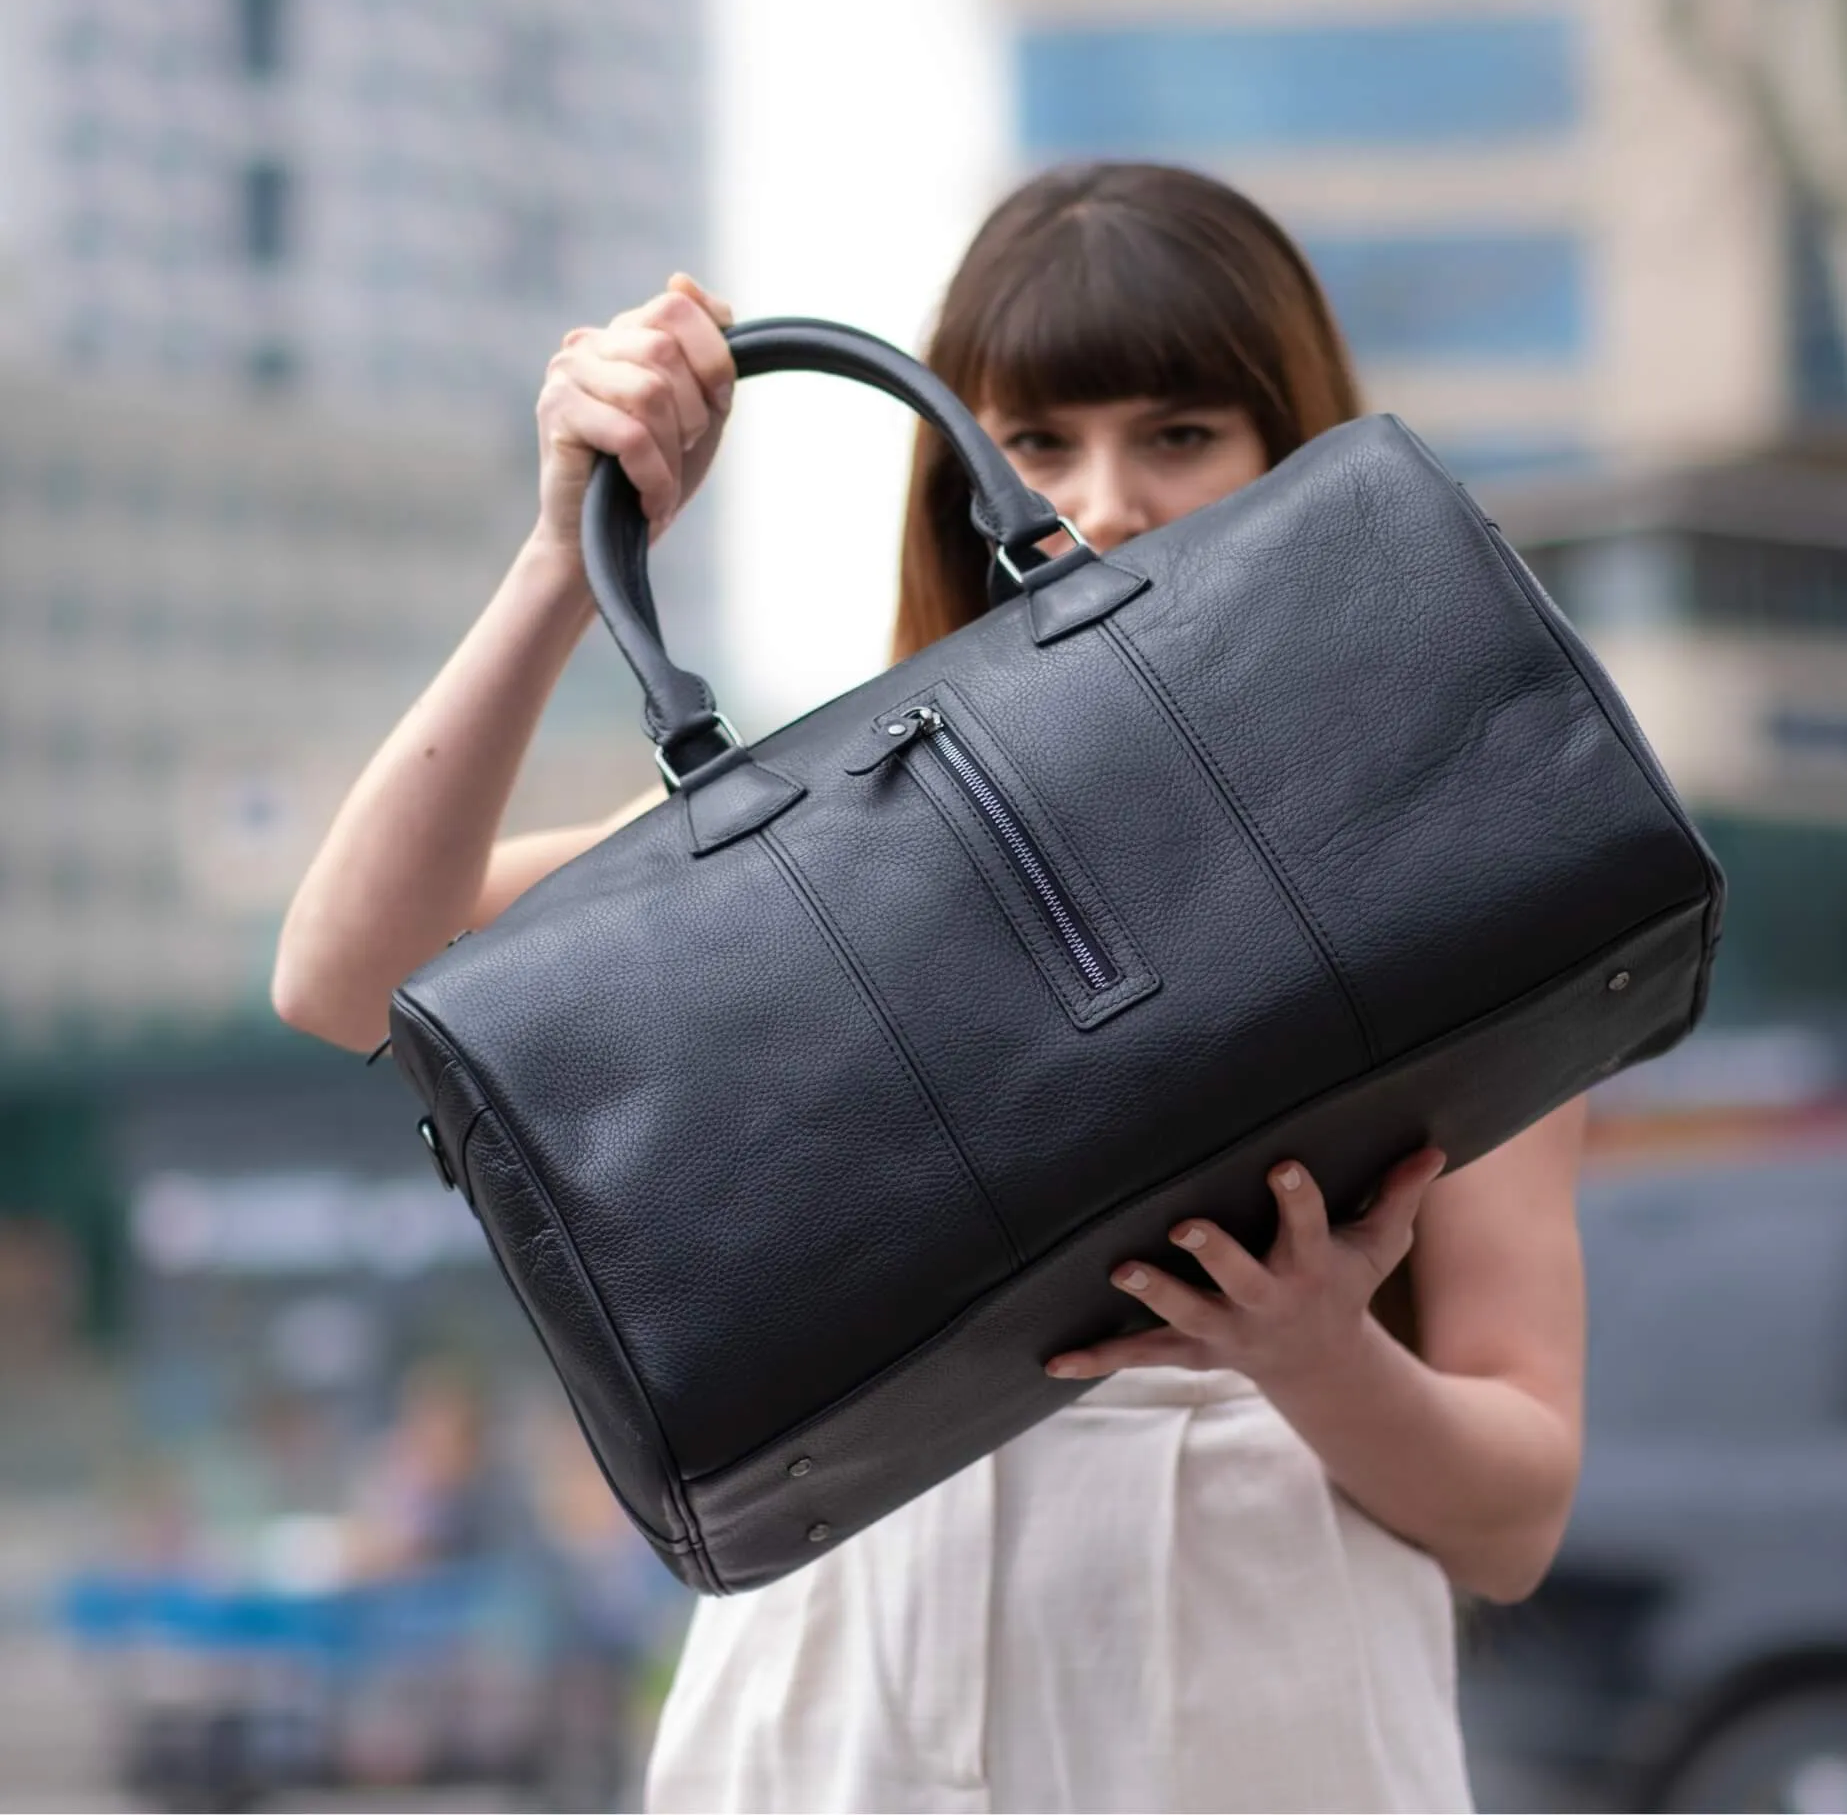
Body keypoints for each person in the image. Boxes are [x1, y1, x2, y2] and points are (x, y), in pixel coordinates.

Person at [273, 161, 1587, 1813]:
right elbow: (345, 976)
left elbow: (1517, 1515)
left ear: (1290, 448)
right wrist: (566, 554)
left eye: (1180, 434)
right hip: (844, 1689)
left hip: (1253, 1690)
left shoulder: (1441, 859)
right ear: (957, 471)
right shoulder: (841, 840)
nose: (1103, 499)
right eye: (1040, 441)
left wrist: (1317, 1350)